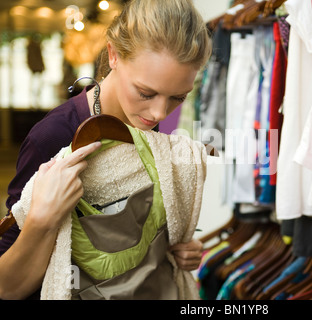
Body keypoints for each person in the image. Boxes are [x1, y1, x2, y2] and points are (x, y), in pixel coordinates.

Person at [0, 0, 212, 300]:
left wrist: (175, 250)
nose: (159, 113)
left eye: (178, 97)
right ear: (113, 54)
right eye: (146, 92)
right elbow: (6, 286)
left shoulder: (145, 126)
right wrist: (40, 221)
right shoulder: (54, 137)